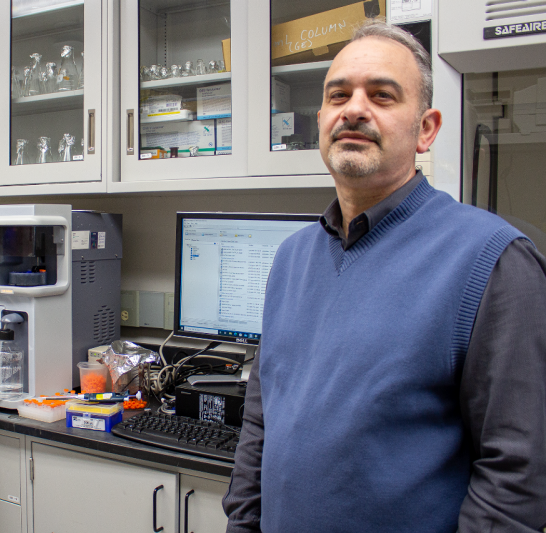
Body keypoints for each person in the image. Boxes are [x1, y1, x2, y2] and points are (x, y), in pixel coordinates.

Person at [223, 20, 546, 532]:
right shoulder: (290, 259)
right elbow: (262, 426)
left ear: (426, 129)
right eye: (338, 94)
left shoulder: (494, 261)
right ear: (323, 117)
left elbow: (515, 475)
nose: (354, 108)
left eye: (382, 95)